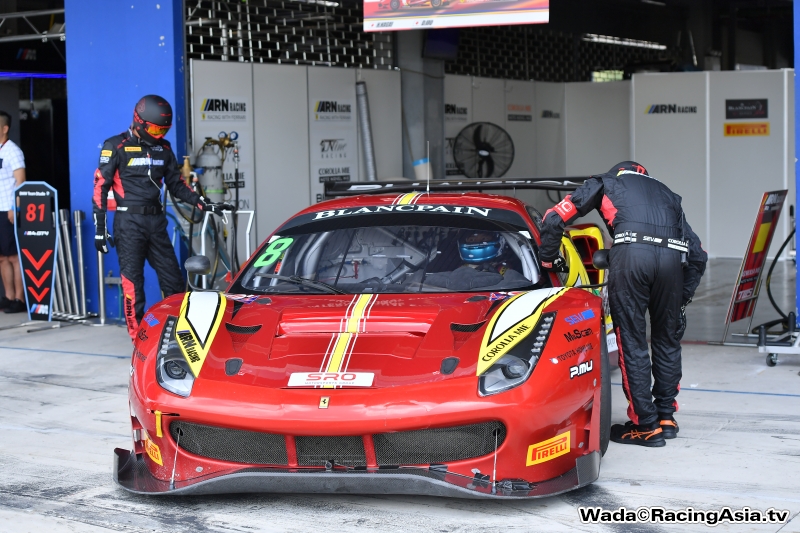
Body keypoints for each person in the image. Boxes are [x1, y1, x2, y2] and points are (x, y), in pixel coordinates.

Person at [538, 161, 707, 447]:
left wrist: (549, 259)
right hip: (672, 264)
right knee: (667, 340)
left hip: (631, 258)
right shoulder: (668, 194)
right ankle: (666, 417)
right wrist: (682, 296)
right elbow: (698, 255)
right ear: (645, 177)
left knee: (632, 342)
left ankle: (645, 425)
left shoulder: (605, 182)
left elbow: (554, 218)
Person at [93, 95, 228, 340]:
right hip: (128, 223)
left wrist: (203, 203)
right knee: (133, 284)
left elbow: (176, 185)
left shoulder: (164, 148)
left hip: (156, 222)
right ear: (139, 121)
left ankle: (178, 332)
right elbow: (100, 186)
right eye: (155, 128)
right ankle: (137, 339)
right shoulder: (115, 146)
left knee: (174, 281)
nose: (158, 134)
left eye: (163, 129)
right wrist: (99, 228)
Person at [426, 230, 528, 290]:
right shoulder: (453, 268)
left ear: (499, 241)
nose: (477, 242)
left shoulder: (513, 269)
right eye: (471, 240)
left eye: (484, 239)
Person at [0, 110, 26, 314]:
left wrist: (15, 208)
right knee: (2, 257)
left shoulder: (13, 151)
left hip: (8, 210)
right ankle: (8, 297)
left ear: (5, 128)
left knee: (14, 257)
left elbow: (21, 182)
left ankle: (19, 298)